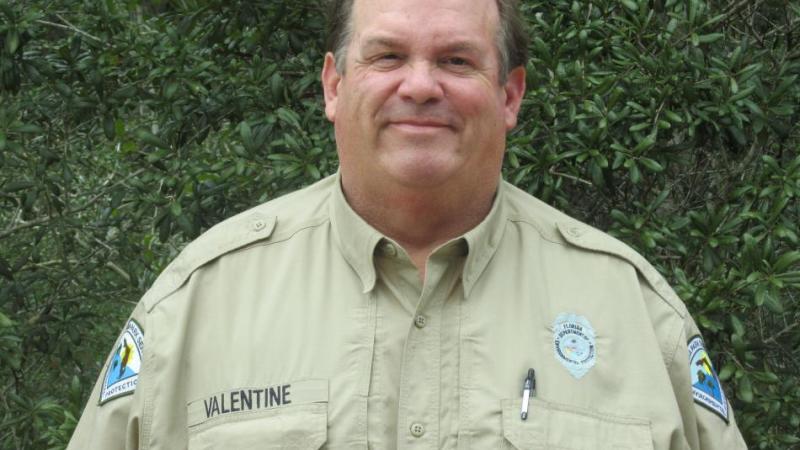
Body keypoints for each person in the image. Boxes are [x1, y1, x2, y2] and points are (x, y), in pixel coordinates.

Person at [68, 0, 749, 448]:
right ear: (334, 87)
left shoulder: (633, 312)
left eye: (456, 60)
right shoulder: (197, 303)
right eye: (388, 56)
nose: (420, 86)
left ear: (510, 94)